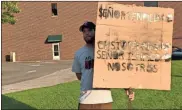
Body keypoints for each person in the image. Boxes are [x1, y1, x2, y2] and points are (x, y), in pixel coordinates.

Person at [72, 21, 134, 110]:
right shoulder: (79, 53)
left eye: (89, 30)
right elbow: (79, 75)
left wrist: (127, 88)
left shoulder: (107, 51)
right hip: (85, 100)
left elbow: (118, 70)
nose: (86, 33)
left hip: (104, 100)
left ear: (95, 31)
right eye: (84, 31)